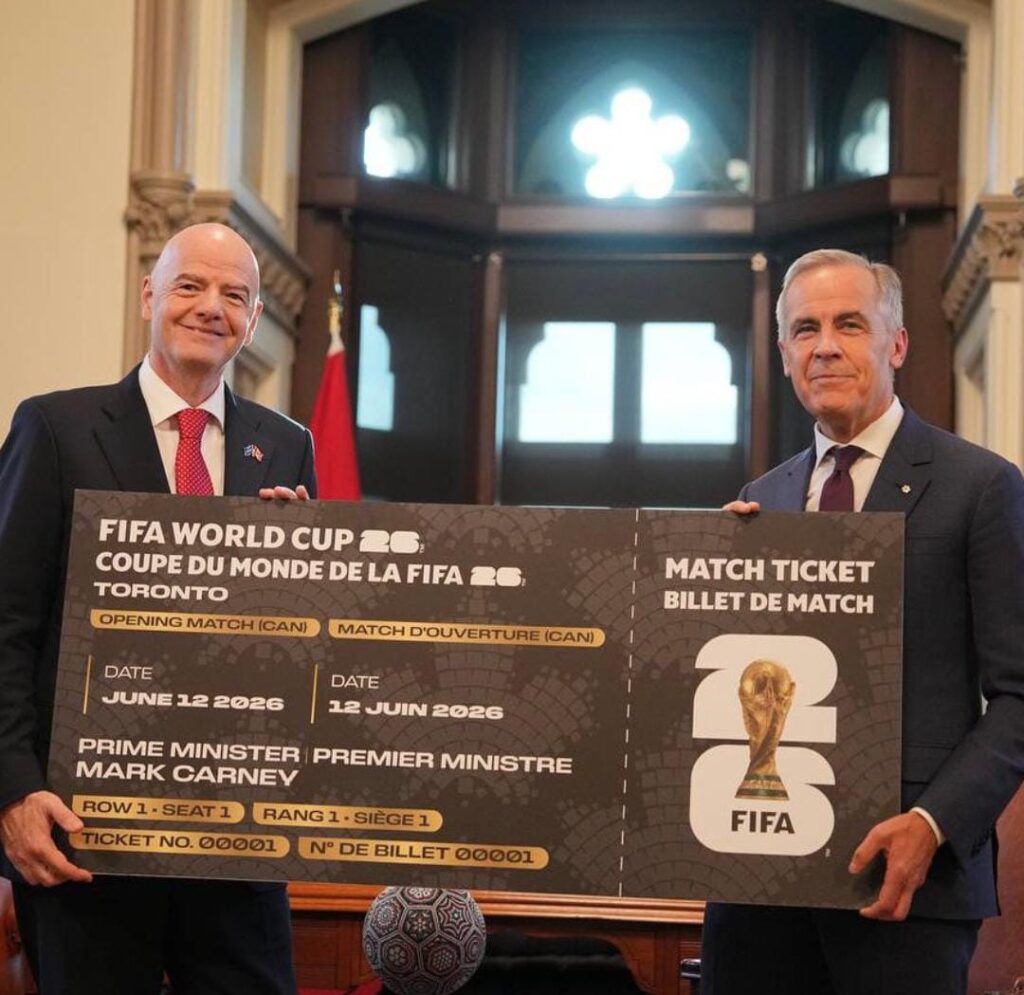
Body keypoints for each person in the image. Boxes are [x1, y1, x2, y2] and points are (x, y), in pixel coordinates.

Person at [0, 222, 316, 994]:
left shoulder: (286, 445)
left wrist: (307, 574)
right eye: (190, 286)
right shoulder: (56, 428)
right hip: (85, 835)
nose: (211, 307)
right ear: (149, 296)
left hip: (240, 843)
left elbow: (304, 648)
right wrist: (12, 790)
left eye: (234, 295)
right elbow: (6, 625)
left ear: (253, 320)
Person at [702, 249, 1024, 995]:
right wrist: (710, 584)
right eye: (805, 329)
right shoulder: (760, 500)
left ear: (897, 343)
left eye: (849, 324)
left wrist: (933, 822)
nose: (825, 346)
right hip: (758, 889)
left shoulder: (981, 487)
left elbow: (1019, 694)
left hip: (907, 886)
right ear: (785, 354)